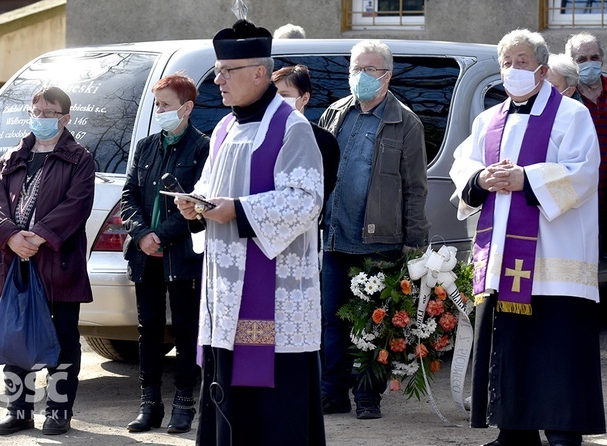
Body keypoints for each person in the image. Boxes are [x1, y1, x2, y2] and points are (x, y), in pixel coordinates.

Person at [450, 29, 606, 446]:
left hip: (556, 262)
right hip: (505, 260)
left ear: (541, 69)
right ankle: (513, 433)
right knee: (511, 345)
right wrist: (481, 177)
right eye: (507, 62)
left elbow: (584, 172)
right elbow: (461, 165)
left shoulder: (572, 115)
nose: (514, 69)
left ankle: (561, 432)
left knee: (555, 351)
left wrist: (526, 179)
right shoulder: (488, 120)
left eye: (522, 62)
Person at [175, 19, 326, 446]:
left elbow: (305, 201)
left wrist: (237, 211)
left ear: (259, 73)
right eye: (218, 70)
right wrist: (196, 204)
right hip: (225, 295)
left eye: (227, 70)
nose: (217, 79)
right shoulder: (224, 129)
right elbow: (211, 187)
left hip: (274, 298)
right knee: (227, 398)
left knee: (272, 414)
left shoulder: (292, 128)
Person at [317, 39, 430, 420]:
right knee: (332, 320)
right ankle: (331, 392)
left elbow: (415, 188)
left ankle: (368, 396)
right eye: (355, 68)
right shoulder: (334, 114)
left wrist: (415, 243)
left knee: (374, 323)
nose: (360, 77)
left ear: (387, 74)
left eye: (370, 69)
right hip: (334, 237)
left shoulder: (405, 122)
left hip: (379, 240)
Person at [0, 86, 95, 436]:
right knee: (16, 336)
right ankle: (19, 409)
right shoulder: (11, 158)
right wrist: (11, 236)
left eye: (50, 112)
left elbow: (77, 205)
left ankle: (59, 410)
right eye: (37, 111)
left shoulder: (80, 159)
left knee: (62, 340)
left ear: (65, 118)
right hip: (15, 262)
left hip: (58, 263)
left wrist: (39, 235)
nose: (42, 118)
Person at [121, 74, 208, 434]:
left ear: (186, 108)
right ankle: (149, 404)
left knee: (187, 330)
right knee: (149, 330)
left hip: (182, 256)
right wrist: (142, 234)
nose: (159, 111)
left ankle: (184, 404)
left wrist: (161, 233)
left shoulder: (203, 148)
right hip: (146, 256)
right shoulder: (144, 147)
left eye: (165, 105)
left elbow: (200, 203)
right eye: (157, 105)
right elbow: (129, 196)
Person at [271, 64, 339, 215]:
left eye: (284, 95)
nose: (277, 101)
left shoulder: (323, 141)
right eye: (273, 96)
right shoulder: (260, 133)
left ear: (305, 98)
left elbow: (319, 196)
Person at [565, 32, 607, 260]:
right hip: (583, 196)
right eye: (581, 59)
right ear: (572, 63)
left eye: (594, 57)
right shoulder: (566, 99)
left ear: (602, 58)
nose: (589, 63)